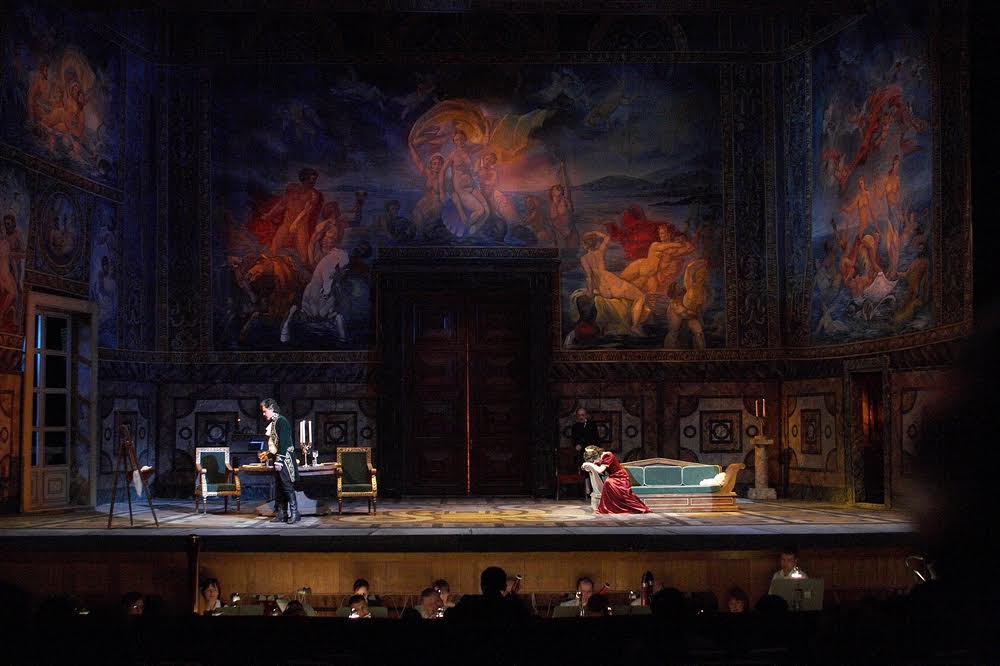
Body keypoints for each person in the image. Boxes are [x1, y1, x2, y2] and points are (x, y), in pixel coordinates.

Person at [259, 398, 299, 523]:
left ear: (271, 409)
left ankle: (295, 513)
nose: (264, 414)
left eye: (265, 411)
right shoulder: (274, 422)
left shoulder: (282, 421)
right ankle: (282, 514)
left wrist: (279, 461)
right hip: (279, 458)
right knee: (280, 487)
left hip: (285, 459)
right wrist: (268, 454)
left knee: (287, 486)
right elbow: (275, 445)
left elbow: (284, 443)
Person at [445, 566, 530, 624]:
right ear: (504, 586)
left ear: (482, 586)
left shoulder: (469, 602)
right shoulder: (512, 605)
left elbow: (448, 615)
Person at [586, 450, 650, 514]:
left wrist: (590, 464)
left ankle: (638, 508)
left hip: (620, 477)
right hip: (613, 476)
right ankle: (611, 508)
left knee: (610, 483)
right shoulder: (599, 459)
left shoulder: (608, 455)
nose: (594, 462)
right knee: (608, 482)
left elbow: (600, 470)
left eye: (594, 460)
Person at [571, 408, 599, 495]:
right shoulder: (575, 426)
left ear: (586, 415)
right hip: (581, 453)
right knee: (584, 469)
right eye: (579, 415)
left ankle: (595, 489)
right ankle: (586, 490)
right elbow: (574, 439)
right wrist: (576, 445)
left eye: (582, 415)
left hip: (592, 451)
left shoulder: (592, 425)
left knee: (593, 470)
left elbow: (594, 438)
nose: (581, 417)